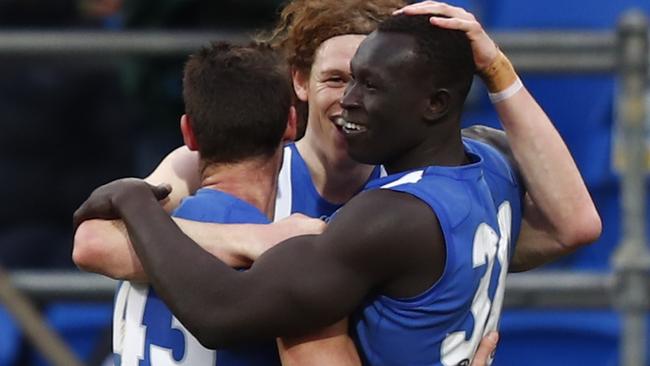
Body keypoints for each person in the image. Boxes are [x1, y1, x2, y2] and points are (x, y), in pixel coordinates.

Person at [74, 1, 601, 363]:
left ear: (426, 100)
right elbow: (95, 240)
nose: (349, 100)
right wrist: (252, 240)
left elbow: (573, 223)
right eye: (336, 79)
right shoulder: (232, 167)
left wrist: (499, 71)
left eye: (369, 82)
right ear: (297, 84)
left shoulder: (398, 208)